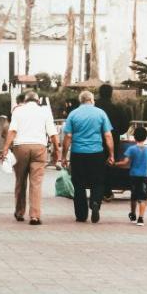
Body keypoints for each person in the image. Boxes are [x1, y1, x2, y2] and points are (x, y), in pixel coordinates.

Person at [0, 91, 59, 225]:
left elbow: (12, 130)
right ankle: (35, 216)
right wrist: (57, 150)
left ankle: (20, 212)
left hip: (20, 147)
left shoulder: (18, 111)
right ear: (38, 101)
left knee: (20, 181)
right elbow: (52, 133)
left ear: (25, 101)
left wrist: (5, 148)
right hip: (39, 147)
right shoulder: (45, 111)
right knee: (36, 183)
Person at [61, 90, 115, 223]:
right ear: (92, 100)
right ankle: (95, 202)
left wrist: (63, 156)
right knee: (98, 181)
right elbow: (108, 135)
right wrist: (111, 154)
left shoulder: (73, 114)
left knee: (78, 184)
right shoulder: (101, 113)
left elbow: (68, 136)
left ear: (81, 101)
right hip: (96, 153)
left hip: (78, 153)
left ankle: (81, 214)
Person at [115, 127, 147, 227]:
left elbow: (125, 162)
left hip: (134, 175)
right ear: (146, 138)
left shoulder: (131, 149)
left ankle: (133, 214)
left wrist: (115, 164)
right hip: (145, 176)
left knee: (134, 196)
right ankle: (141, 218)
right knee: (143, 198)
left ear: (134, 137)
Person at [95, 84, 130, 199]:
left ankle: (96, 189)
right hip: (113, 139)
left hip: (95, 139)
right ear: (111, 94)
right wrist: (117, 132)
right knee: (109, 163)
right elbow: (125, 125)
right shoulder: (117, 108)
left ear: (99, 93)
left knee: (96, 164)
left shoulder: (94, 107)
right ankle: (107, 191)